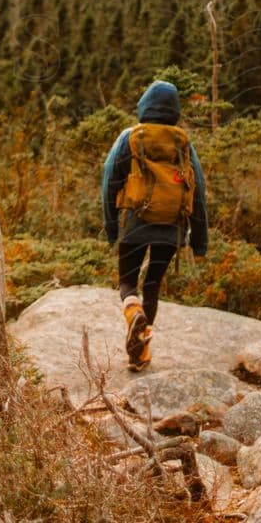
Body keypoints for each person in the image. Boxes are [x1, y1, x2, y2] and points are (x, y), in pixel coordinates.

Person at [102, 79, 208, 370]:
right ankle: (140, 354)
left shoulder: (130, 137)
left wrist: (112, 227)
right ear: (174, 111)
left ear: (143, 108)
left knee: (127, 283)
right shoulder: (182, 142)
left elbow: (109, 181)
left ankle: (133, 311)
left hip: (135, 222)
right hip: (172, 227)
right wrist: (199, 240)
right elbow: (198, 191)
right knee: (153, 285)